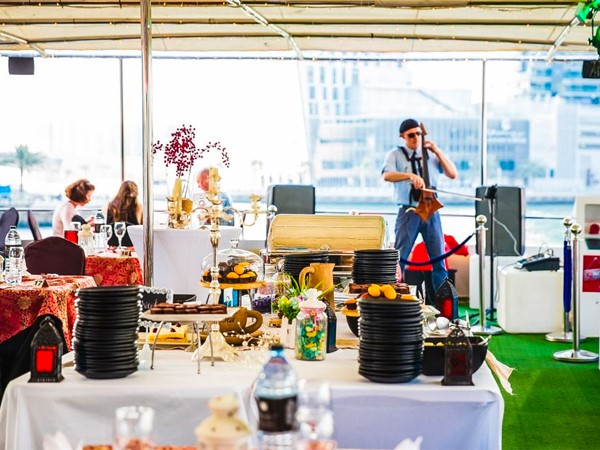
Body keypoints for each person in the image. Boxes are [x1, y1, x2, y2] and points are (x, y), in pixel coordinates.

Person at [382, 118, 458, 294]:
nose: (416, 138)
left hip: (431, 209)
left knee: (439, 259)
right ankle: (394, 297)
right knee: (400, 258)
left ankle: (443, 301)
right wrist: (409, 176)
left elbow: (452, 173)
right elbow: (387, 175)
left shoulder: (430, 154)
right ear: (402, 136)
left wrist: (437, 151)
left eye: (418, 133)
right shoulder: (395, 154)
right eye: (411, 135)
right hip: (409, 210)